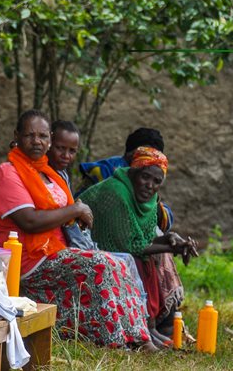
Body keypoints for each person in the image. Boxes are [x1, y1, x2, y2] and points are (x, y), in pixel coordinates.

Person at [0, 109, 156, 350]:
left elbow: (64, 215)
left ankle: (140, 336)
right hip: (29, 261)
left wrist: (75, 214)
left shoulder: (48, 173)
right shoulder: (8, 173)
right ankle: (117, 340)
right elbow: (29, 221)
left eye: (43, 136)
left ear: (50, 139)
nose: (37, 141)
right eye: (30, 135)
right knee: (100, 265)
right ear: (17, 136)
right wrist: (75, 210)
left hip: (56, 252)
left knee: (117, 262)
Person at [78, 146, 198, 343]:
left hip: (120, 246)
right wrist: (170, 247)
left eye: (156, 181)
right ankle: (143, 327)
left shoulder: (149, 200)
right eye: (145, 177)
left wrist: (172, 239)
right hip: (86, 245)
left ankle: (152, 325)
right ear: (133, 172)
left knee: (151, 256)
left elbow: (143, 238)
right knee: (136, 260)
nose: (149, 185)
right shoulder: (116, 192)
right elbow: (128, 246)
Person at [46, 120, 80, 191]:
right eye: (60, 148)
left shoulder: (62, 174)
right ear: (48, 144)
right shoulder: (36, 174)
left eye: (72, 151)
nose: (66, 156)